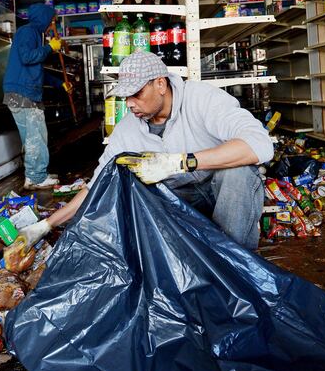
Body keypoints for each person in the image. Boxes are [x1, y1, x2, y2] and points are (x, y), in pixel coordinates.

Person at [19, 51, 273, 249]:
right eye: (125, 97)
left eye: (137, 94)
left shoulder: (203, 100)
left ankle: (237, 269)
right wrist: (46, 225)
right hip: (180, 206)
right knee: (126, 186)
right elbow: (97, 185)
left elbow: (259, 145)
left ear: (160, 84)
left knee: (239, 174)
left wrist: (182, 162)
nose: (130, 104)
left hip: (222, 197)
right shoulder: (129, 128)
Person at [3, 3, 72, 189]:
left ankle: (33, 175)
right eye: (51, 21)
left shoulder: (34, 35)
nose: (52, 25)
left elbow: (37, 69)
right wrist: (49, 48)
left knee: (31, 136)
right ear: (43, 19)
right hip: (23, 93)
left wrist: (61, 84)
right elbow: (27, 57)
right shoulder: (28, 32)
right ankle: (36, 177)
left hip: (21, 92)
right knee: (37, 136)